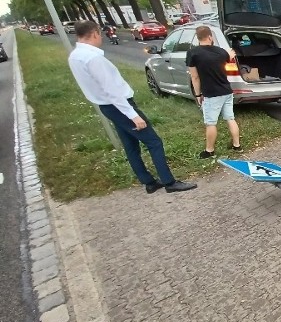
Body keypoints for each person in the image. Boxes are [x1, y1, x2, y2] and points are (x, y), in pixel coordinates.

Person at [67, 20, 196, 194]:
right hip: (120, 106)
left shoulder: (75, 56)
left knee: (130, 145)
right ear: (95, 33)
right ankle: (169, 182)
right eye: (100, 34)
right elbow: (111, 89)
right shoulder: (93, 58)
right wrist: (132, 115)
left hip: (107, 107)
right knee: (154, 142)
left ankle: (149, 182)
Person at [186, 25, 241, 159]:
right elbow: (229, 59)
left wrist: (198, 94)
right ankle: (237, 145)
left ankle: (209, 150)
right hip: (227, 91)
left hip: (211, 94)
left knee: (211, 123)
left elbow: (195, 77)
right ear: (210, 37)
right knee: (230, 118)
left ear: (198, 38)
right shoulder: (221, 52)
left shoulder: (193, 53)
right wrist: (229, 55)